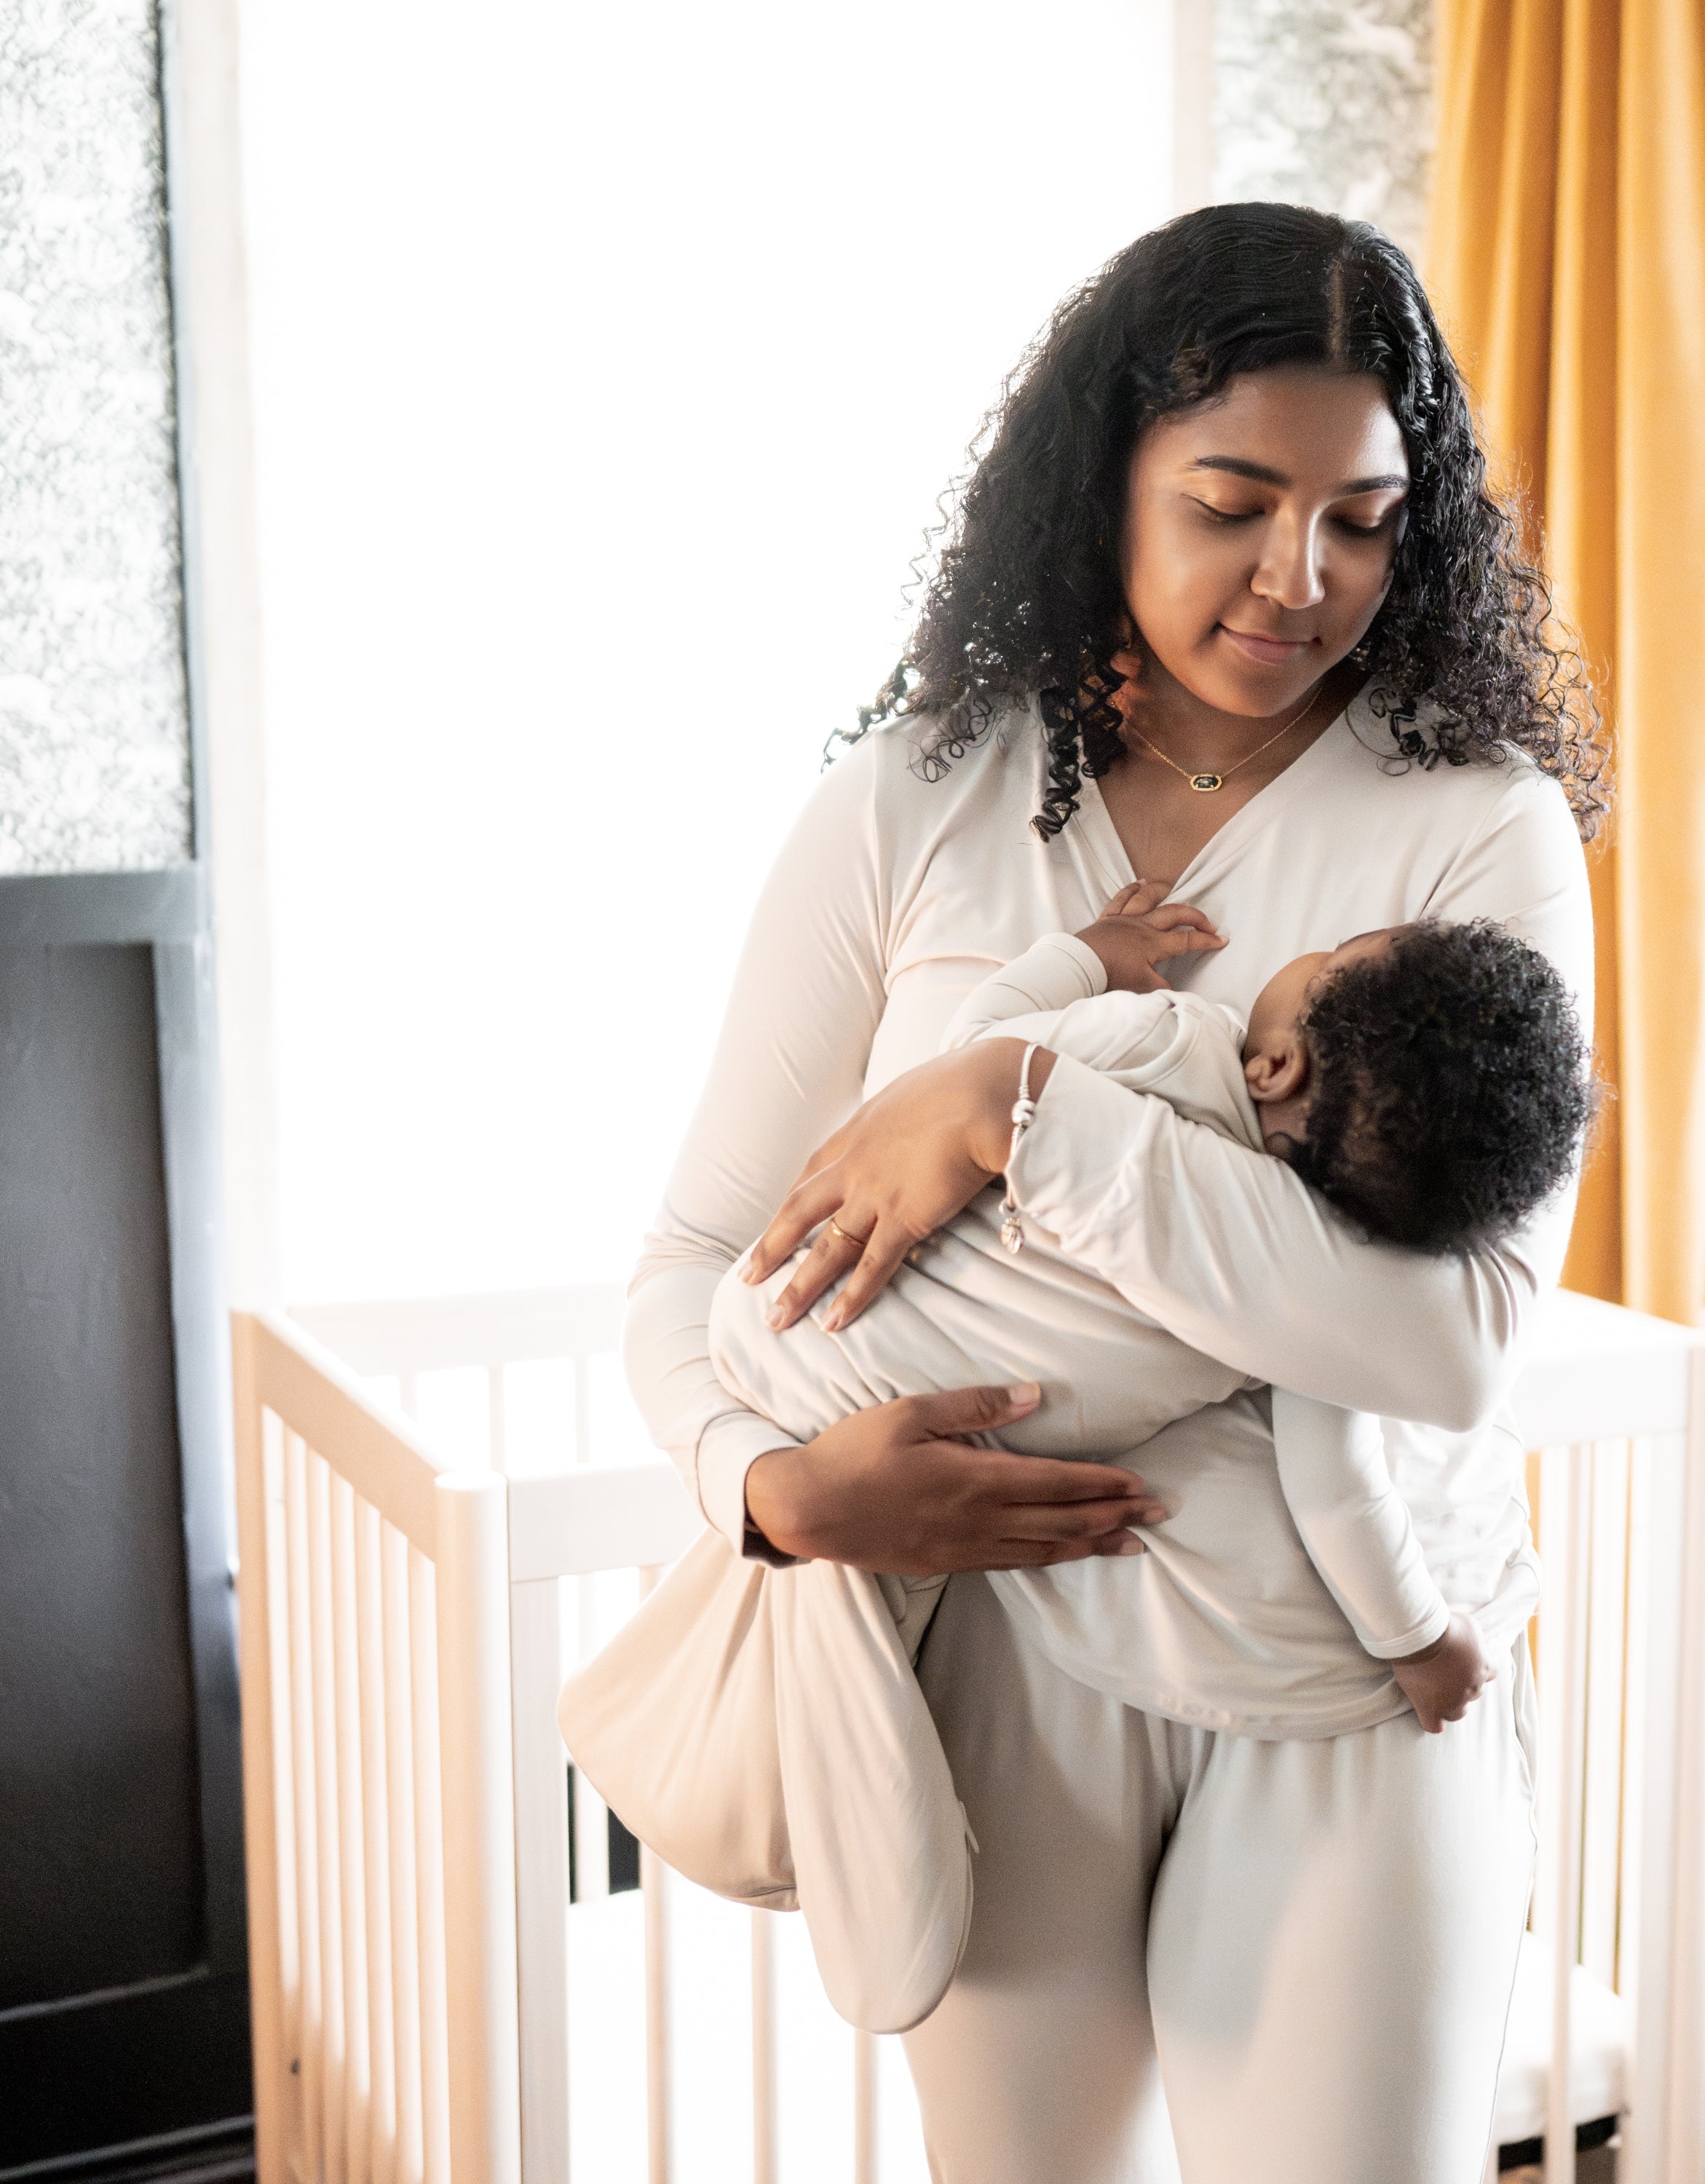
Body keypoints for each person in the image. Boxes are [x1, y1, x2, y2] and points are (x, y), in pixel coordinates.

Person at [625, 202, 1605, 2183]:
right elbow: (695, 1264)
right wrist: (770, 1489)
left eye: (1362, 515)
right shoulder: (924, 796)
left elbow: (1450, 1343)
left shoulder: (1474, 825)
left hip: (1349, 1678)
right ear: (1111, 477)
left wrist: (1013, 1104)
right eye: (1235, 501)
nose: (1299, 577)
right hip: (997, 1640)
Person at [706, 882, 1594, 1736]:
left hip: (781, 1315)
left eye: (1332, 956)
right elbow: (1341, 1493)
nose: (1314, 946)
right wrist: (1424, 1643)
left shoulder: (1172, 1043)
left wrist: (1081, 959)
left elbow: (972, 1055)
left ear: (1277, 1065)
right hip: (902, 1448)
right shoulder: (1315, 1316)